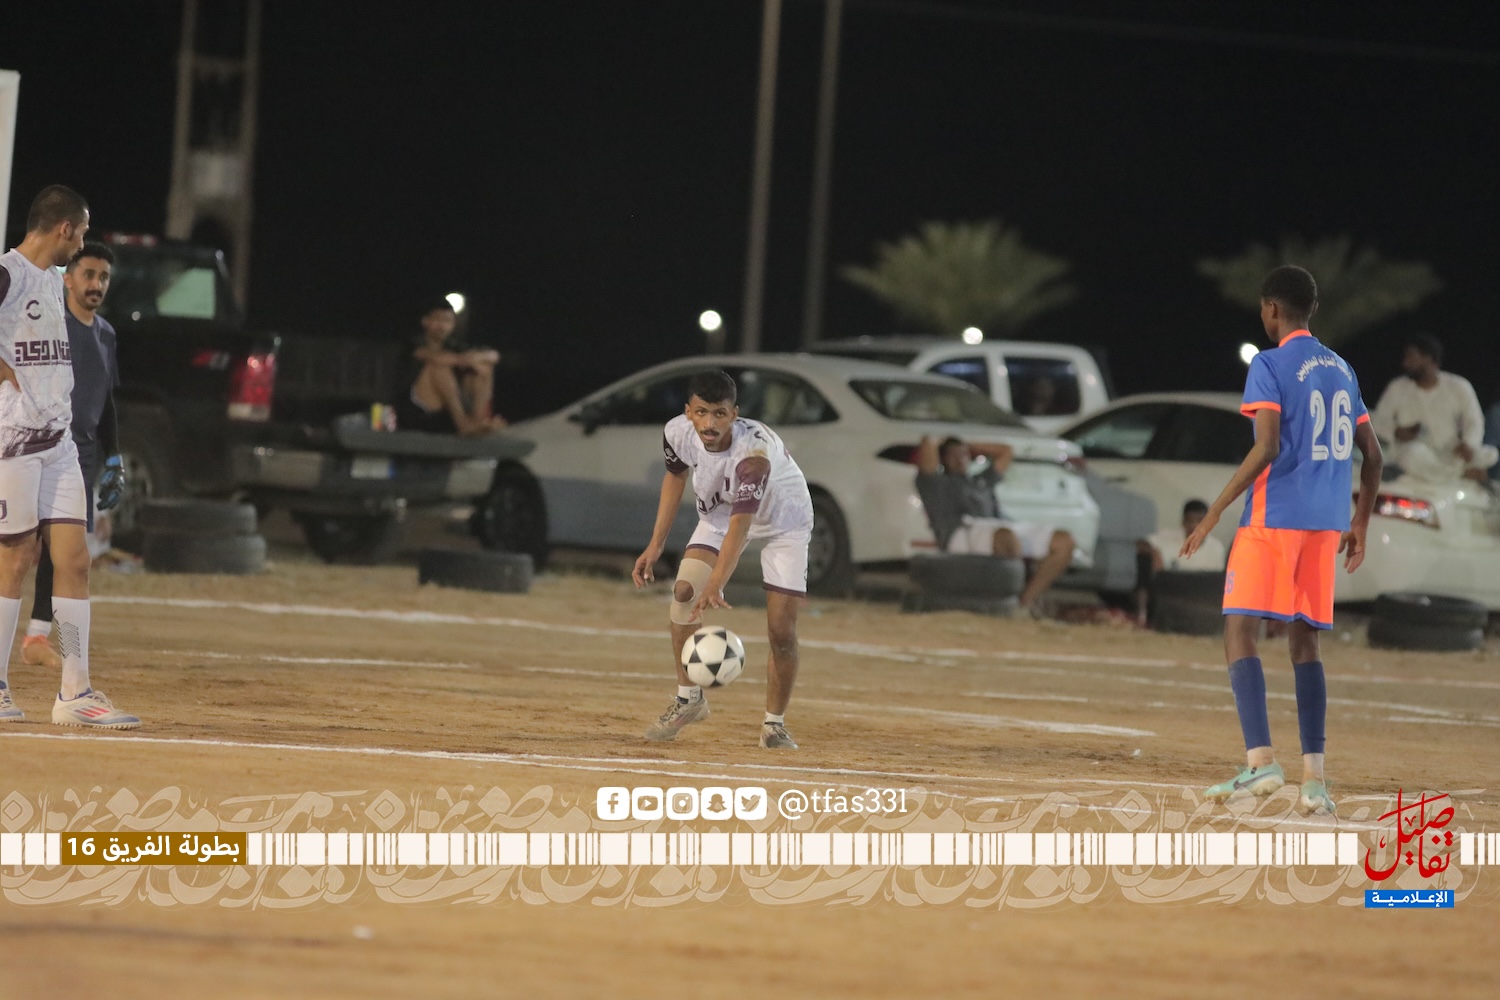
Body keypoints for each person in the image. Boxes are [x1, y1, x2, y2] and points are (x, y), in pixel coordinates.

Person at [1182, 265, 1381, 816]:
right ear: (1311, 308)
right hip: (1325, 525)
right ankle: (1315, 779)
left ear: (1271, 309)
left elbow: (1266, 446)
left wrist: (1213, 512)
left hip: (1273, 518)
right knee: (1304, 643)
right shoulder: (1342, 368)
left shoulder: (1269, 364)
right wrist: (1360, 523)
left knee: (1238, 628)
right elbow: (1373, 455)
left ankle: (1262, 761)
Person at [0, 185, 139, 728]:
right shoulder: (8, 273)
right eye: (80, 233)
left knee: (75, 560)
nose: (81, 243)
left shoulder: (55, 281)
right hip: (14, 442)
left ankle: (75, 693)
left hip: (58, 444)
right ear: (64, 228)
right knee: (14, 560)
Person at [631, 369, 812, 749]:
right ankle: (689, 699)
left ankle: (774, 725)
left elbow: (741, 527)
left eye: (719, 414)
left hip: (784, 522)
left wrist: (716, 583)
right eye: (701, 413)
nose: (709, 423)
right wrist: (655, 545)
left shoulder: (753, 457)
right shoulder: (677, 432)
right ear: (688, 411)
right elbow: (675, 477)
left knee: (781, 631)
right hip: (720, 515)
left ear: (735, 414)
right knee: (683, 593)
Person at [20, 242, 128, 670]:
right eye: (88, 275)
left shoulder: (106, 334)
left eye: (103, 277)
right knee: (18, 550)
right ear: (68, 279)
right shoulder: (52, 326)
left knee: (66, 554)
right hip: (37, 450)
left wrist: (113, 457)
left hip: (80, 458)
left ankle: (38, 636)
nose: (96, 284)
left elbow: (106, 402)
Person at [914, 434, 1075, 615]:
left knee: (1063, 541)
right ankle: (1009, 601)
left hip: (997, 526)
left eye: (963, 454)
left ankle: (1024, 603)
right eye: (953, 455)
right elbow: (928, 442)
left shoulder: (980, 480)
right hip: (963, 532)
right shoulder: (936, 483)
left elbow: (1006, 452)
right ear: (943, 459)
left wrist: (968, 445)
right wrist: (943, 442)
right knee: (1005, 537)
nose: (960, 459)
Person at [1370, 334, 1496, 484]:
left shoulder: (1459, 387)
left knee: (1491, 454)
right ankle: (1460, 474)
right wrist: (1396, 431)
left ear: (1428, 358)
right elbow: (1377, 421)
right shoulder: (1398, 387)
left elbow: (1474, 421)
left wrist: (1468, 444)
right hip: (1416, 455)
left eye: (1411, 357)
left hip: (1451, 454)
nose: (1405, 363)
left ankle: (1450, 471)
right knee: (1411, 454)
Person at [395, 300, 505, 435]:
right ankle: (463, 425)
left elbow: (493, 355)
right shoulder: (413, 343)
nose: (442, 326)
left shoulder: (454, 345)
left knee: (483, 369)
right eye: (438, 320)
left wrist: (475, 361)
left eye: (447, 321)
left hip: (445, 409)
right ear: (425, 321)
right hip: (416, 409)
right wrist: (466, 360)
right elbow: (435, 358)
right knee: (438, 367)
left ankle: (477, 421)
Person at [1134, 499, 1227, 626]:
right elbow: (1140, 543)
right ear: (1183, 523)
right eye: (1190, 521)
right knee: (1144, 561)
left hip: (1199, 596)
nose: (1195, 526)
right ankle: (1142, 615)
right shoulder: (1168, 538)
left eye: (1200, 521)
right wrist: (1154, 552)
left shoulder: (1216, 548)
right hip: (1170, 592)